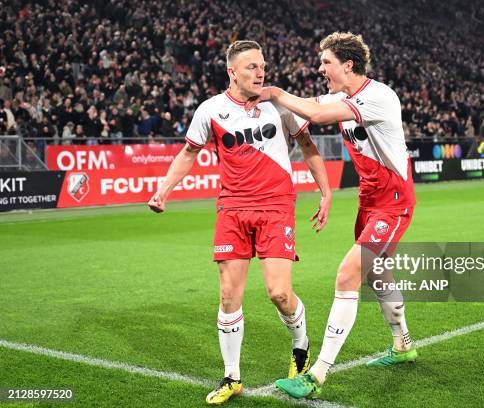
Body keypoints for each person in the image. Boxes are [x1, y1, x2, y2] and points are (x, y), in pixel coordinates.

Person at [147, 40, 332, 405]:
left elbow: (308, 147)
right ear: (232, 72)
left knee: (279, 293)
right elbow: (188, 154)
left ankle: (300, 346)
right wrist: (163, 191)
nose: (260, 72)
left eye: (262, 65)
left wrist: (325, 192)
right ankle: (231, 376)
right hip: (232, 208)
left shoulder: (280, 105)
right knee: (229, 295)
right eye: (251, 67)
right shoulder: (211, 110)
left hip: (276, 206)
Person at [247, 32, 418, 399]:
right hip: (369, 201)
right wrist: (251, 98)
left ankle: (317, 375)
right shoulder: (342, 95)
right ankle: (403, 344)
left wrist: (276, 92)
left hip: (393, 201)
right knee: (378, 274)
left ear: (348, 65)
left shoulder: (379, 96)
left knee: (347, 273)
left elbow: (320, 114)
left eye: (326, 62)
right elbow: (308, 105)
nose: (320, 68)